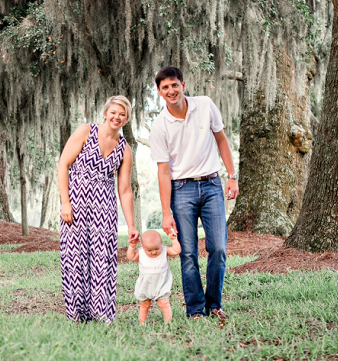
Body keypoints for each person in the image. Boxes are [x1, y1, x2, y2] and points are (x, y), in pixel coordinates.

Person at [149, 66, 239, 320]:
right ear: (159, 92)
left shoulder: (205, 105)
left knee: (218, 248)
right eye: (165, 87)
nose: (171, 90)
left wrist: (231, 177)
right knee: (188, 253)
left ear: (183, 85)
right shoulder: (159, 126)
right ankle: (195, 310)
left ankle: (215, 305)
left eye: (174, 85)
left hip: (212, 185)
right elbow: (163, 172)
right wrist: (166, 213)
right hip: (182, 190)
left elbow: (221, 139)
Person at [58, 95, 139, 322]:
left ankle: (101, 313)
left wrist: (131, 224)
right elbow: (63, 164)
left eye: (122, 114)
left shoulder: (125, 150)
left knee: (103, 257)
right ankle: (77, 314)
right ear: (105, 113)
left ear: (126, 119)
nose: (117, 117)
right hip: (76, 201)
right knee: (75, 255)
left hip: (104, 206)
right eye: (113, 112)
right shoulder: (86, 131)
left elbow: (124, 190)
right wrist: (65, 201)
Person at [126, 229, 181, 324]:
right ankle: (142, 323)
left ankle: (168, 323)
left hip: (161, 284)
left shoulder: (164, 250)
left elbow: (176, 251)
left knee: (164, 303)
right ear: (142, 246)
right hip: (145, 285)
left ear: (161, 243)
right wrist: (132, 246)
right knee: (144, 304)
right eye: (149, 250)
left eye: (156, 249)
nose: (154, 252)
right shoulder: (141, 252)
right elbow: (131, 257)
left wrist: (173, 240)